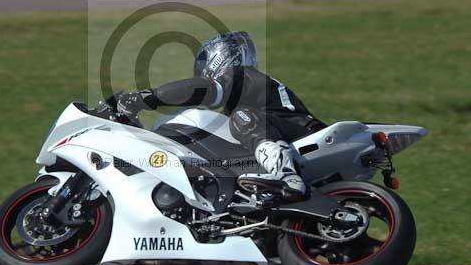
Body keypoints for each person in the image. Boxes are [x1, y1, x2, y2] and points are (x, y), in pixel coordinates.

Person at [115, 31, 327, 198]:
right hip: (287, 133)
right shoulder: (244, 91)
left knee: (242, 117)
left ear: (220, 56)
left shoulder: (241, 76)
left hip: (303, 132)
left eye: (204, 60)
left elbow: (204, 90)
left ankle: (286, 174)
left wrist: (149, 97)